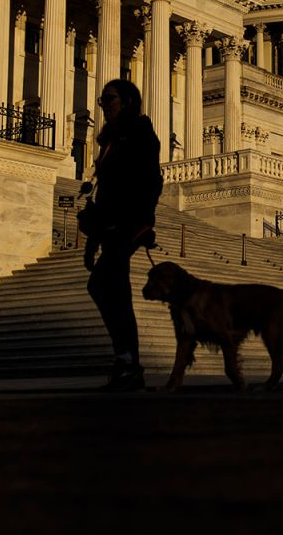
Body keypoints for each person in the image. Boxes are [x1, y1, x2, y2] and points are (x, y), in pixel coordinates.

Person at [83, 79, 163, 392]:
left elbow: (151, 182)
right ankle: (128, 361)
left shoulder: (141, 133)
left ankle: (128, 360)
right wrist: (91, 240)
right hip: (109, 225)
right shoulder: (111, 139)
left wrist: (143, 223)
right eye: (102, 100)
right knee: (110, 289)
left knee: (105, 287)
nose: (105, 105)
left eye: (110, 99)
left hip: (126, 225)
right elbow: (104, 193)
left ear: (128, 101)